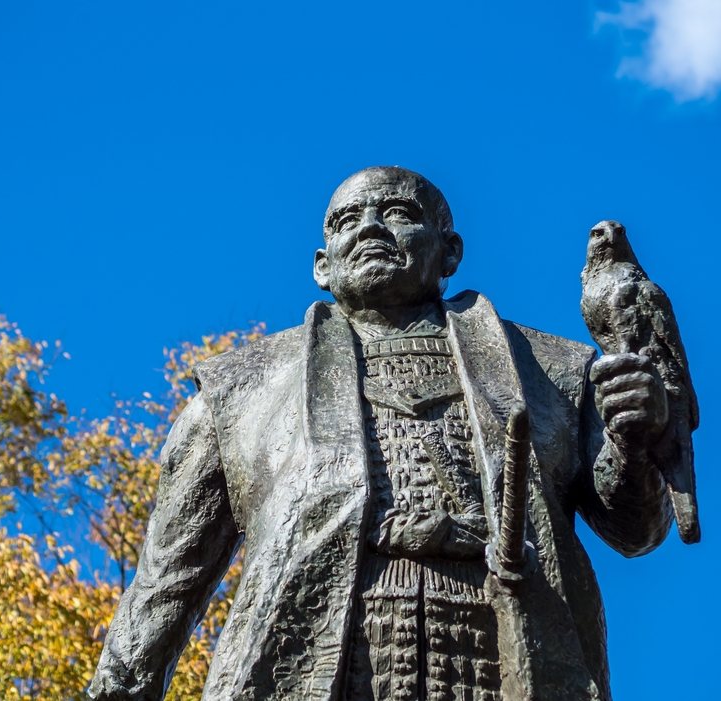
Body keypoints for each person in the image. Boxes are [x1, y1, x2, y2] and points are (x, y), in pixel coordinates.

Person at [88, 167, 673, 701]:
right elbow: (166, 583)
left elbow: (636, 530)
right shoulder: (240, 391)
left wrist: (635, 439)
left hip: (503, 655)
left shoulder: (553, 370)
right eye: (347, 220)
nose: (370, 227)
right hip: (316, 662)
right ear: (322, 264)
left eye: (398, 213)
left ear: (450, 252)